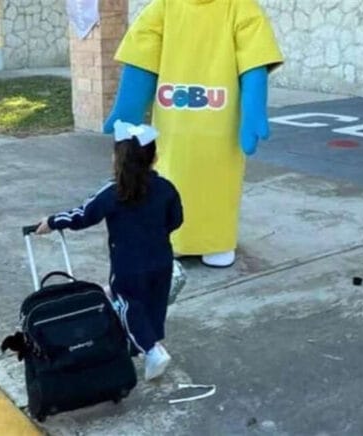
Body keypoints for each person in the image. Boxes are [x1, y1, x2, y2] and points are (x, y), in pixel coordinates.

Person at [104, 0, 283, 268]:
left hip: (220, 128)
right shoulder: (164, 7)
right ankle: (175, 239)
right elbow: (143, 53)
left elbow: (253, 61)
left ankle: (216, 241)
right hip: (172, 127)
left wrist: (253, 112)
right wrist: (128, 108)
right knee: (170, 181)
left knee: (218, 182)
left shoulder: (240, 8)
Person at [35, 120, 183, 381]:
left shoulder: (113, 192)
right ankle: (150, 343)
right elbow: (176, 220)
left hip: (128, 264)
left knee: (125, 302)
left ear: (116, 159)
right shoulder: (166, 188)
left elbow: (83, 215)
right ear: (155, 158)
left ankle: (151, 350)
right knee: (154, 303)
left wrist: (53, 221)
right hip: (161, 260)